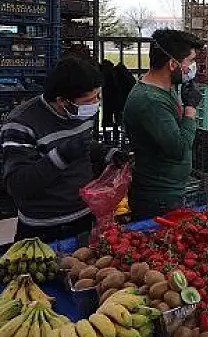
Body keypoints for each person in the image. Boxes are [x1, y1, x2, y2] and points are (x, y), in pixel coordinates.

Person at [0, 57, 128, 244]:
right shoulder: (21, 124)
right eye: (89, 100)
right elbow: (18, 185)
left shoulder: (81, 112)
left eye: (97, 97)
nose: (95, 104)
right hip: (44, 229)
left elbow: (84, 143)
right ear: (62, 101)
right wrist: (60, 156)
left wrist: (108, 153)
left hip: (84, 217)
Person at [123, 29, 204, 221]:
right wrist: (190, 108)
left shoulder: (165, 89)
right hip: (157, 199)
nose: (192, 67)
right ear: (172, 64)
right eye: (189, 62)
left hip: (169, 193)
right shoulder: (150, 101)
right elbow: (179, 148)